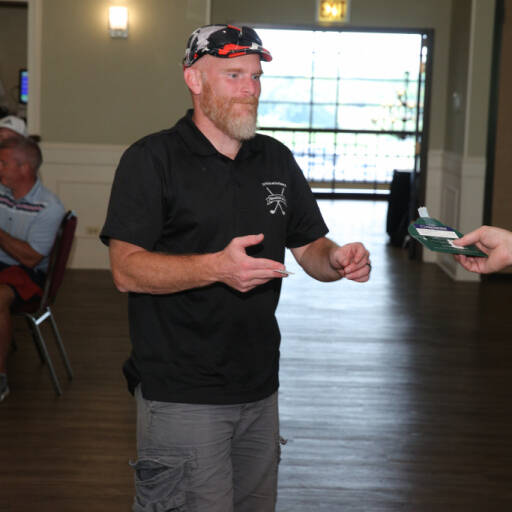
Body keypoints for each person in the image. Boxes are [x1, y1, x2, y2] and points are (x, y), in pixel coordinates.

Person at [100, 24, 371, 512]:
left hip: (259, 387)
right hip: (181, 391)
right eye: (233, 75)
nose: (250, 88)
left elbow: (308, 243)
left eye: (256, 75)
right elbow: (127, 270)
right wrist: (215, 268)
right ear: (195, 80)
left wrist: (335, 259)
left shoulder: (275, 158)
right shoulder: (150, 159)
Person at [0, 137, 65, 402]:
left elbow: (30, 258)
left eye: (3, 163)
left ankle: (0, 376)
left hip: (28, 276)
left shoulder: (49, 207)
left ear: (24, 168)